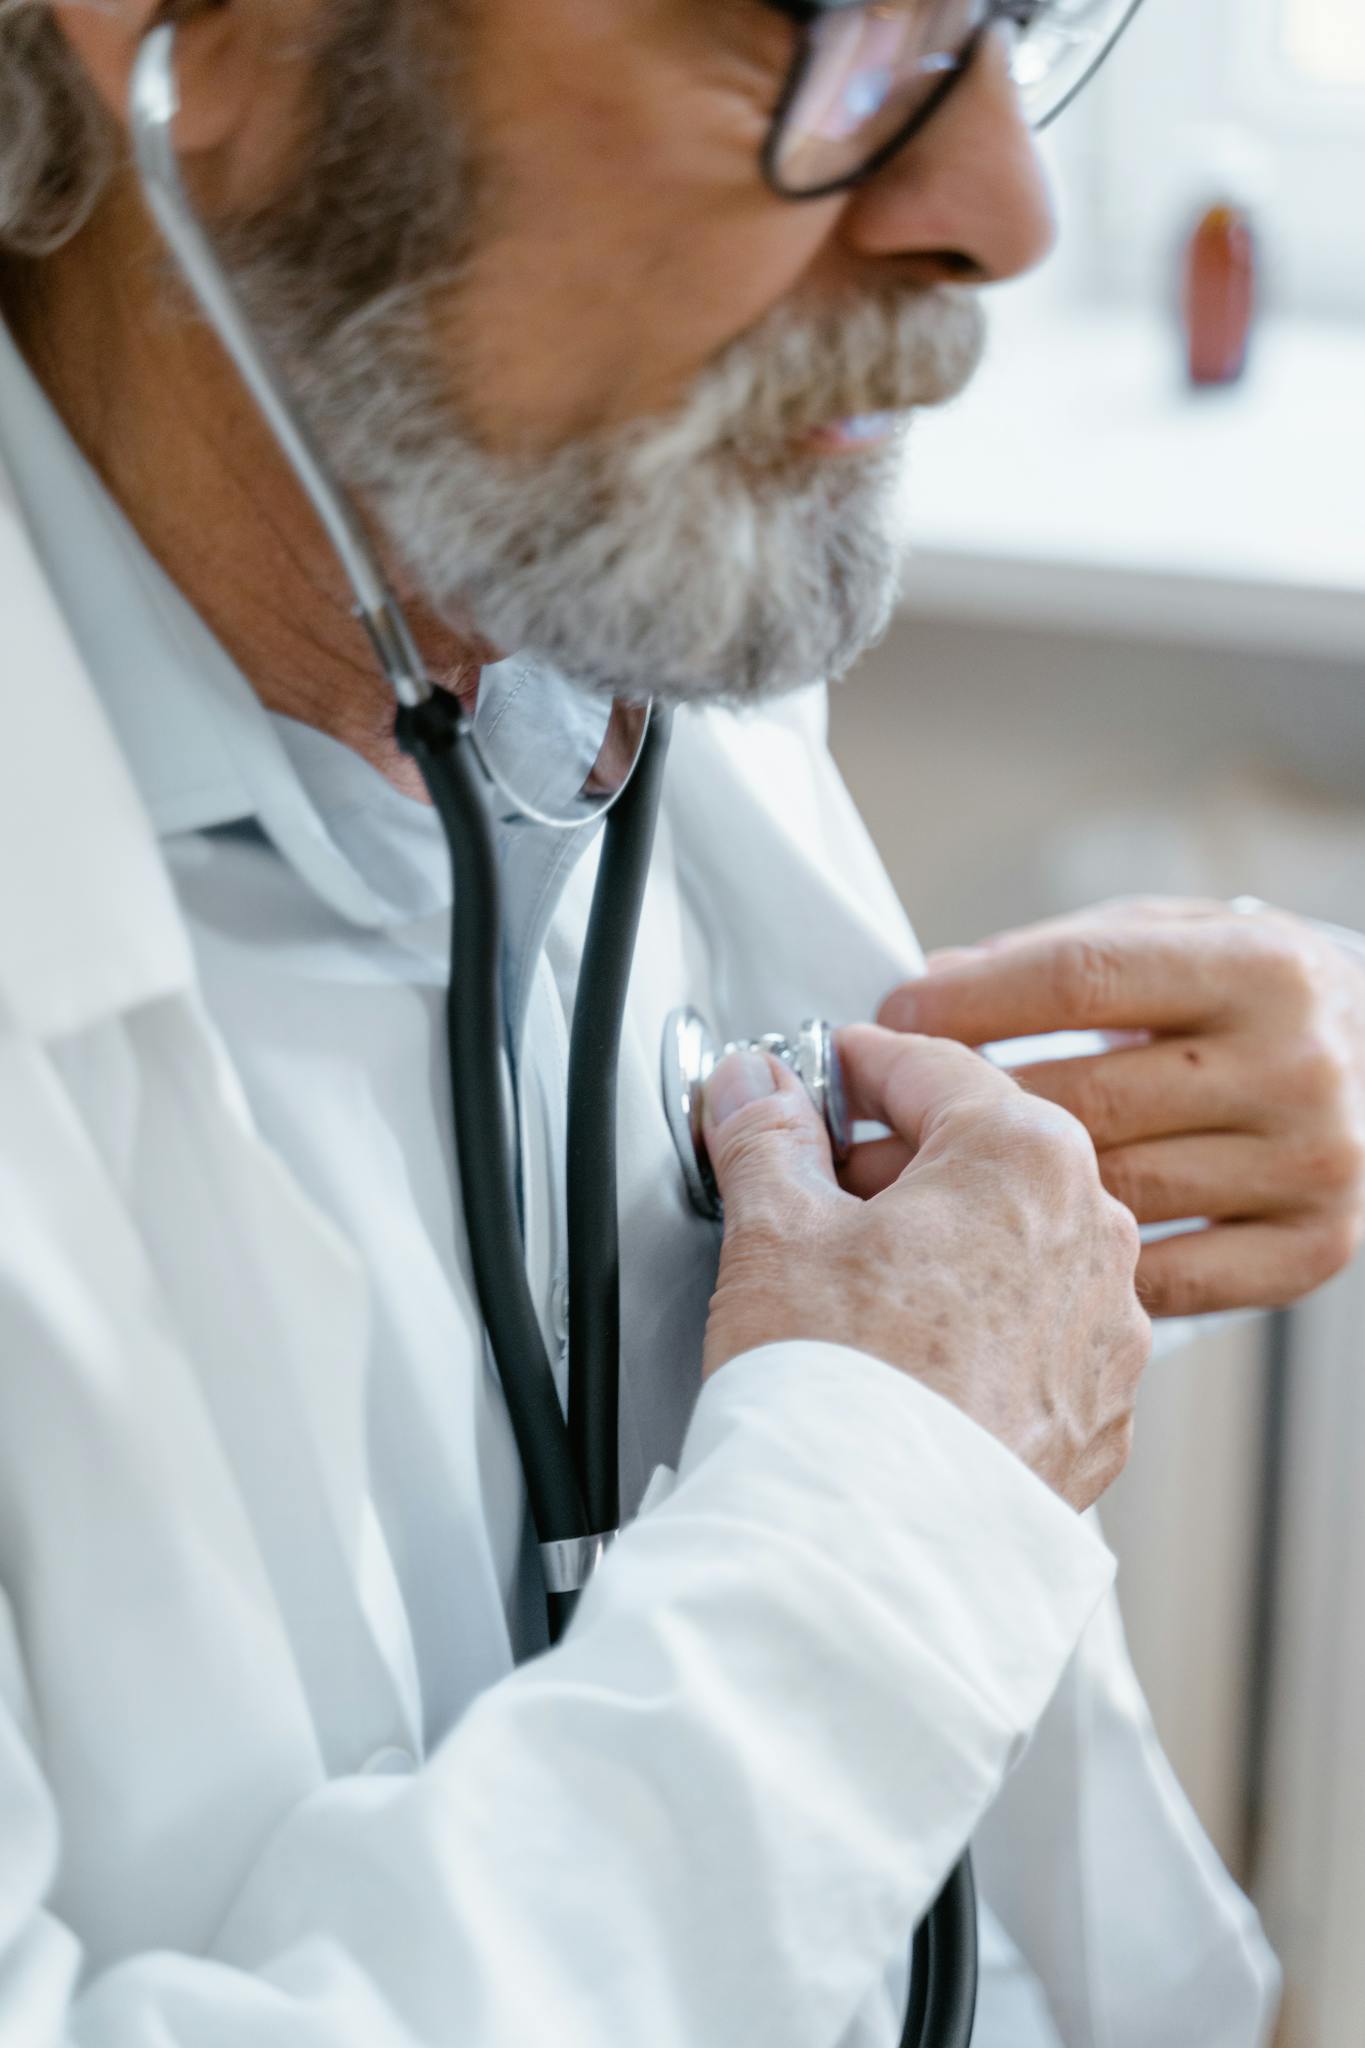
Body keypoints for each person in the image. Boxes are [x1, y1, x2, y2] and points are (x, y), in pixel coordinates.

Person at [1, 1, 1363, 2042]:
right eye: (834, 35)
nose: (999, 214)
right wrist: (900, 1507)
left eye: (1012, 24)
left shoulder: (575, 625)